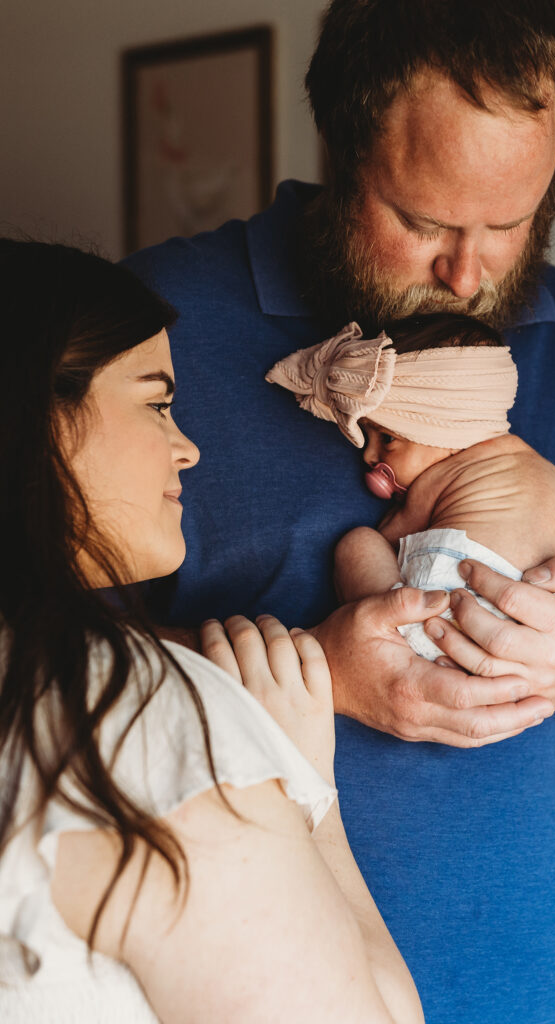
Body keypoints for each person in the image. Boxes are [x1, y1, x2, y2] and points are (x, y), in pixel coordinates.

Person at [124, 2, 555, 1021]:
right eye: (423, 222)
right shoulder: (144, 330)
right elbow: (23, 665)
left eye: (510, 223)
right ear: (336, 144)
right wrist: (314, 678)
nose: (467, 275)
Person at [0, 238, 426, 1023]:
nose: (186, 447)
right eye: (155, 403)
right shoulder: (143, 719)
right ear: (38, 418)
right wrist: (310, 788)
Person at [266, 313, 555, 660]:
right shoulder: (533, 467)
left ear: (447, 433)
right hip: (532, 636)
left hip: (443, 622)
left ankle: (382, 638)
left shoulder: (443, 476)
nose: (369, 455)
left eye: (387, 438)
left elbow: (393, 535)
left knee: (358, 544)